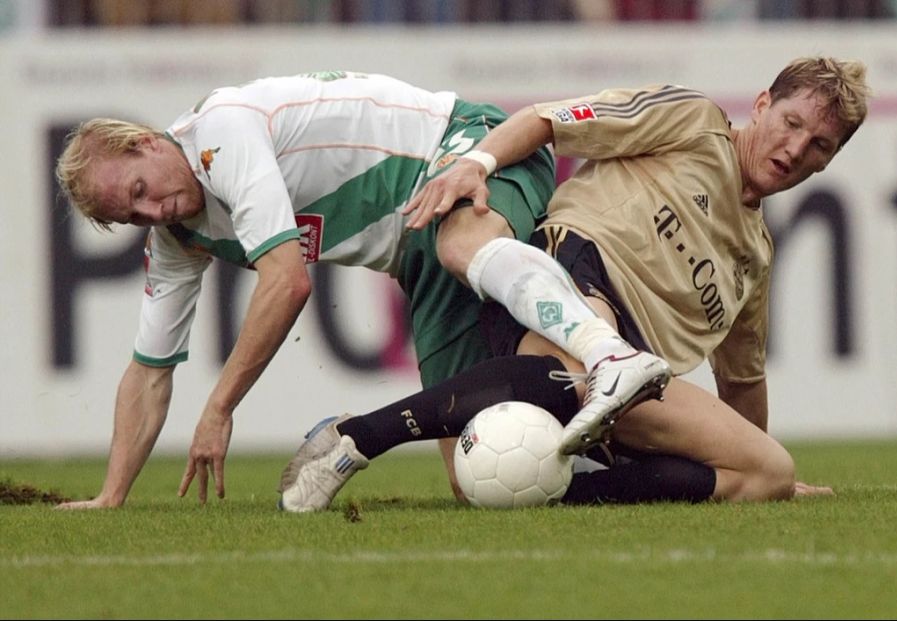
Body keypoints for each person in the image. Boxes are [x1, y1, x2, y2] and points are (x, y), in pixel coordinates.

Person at [278, 56, 869, 511]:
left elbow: (742, 380)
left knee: (767, 472)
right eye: (791, 123)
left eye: (818, 145)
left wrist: (746, 457)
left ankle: (561, 490)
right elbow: (547, 120)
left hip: (634, 376)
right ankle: (353, 439)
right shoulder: (695, 121)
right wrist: (475, 165)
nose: (794, 149)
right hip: (573, 277)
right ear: (762, 105)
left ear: (827, 161)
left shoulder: (757, 255)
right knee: (585, 371)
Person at [53, 69, 664, 509]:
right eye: (133, 217)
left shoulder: (220, 134)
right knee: (479, 477)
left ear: (148, 143)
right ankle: (658, 475)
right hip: (419, 259)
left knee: (461, 244)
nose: (152, 213)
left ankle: (609, 353)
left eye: (140, 192)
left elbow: (287, 283)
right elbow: (148, 371)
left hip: (464, 149)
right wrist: (111, 495)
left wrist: (218, 408)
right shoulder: (179, 236)